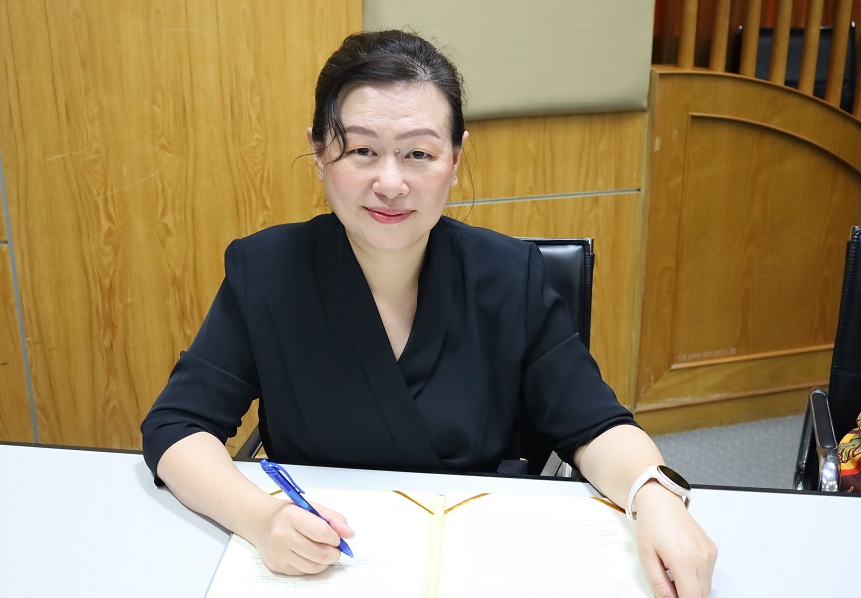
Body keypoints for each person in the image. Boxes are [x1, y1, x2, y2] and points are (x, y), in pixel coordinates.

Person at [141, 29, 716, 596]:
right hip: (327, 564)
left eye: (418, 154)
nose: (390, 183)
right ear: (318, 152)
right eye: (362, 151)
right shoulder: (267, 271)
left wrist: (655, 495)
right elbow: (177, 427)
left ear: (455, 159)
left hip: (478, 563)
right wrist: (261, 518)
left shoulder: (509, 274)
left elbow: (595, 424)